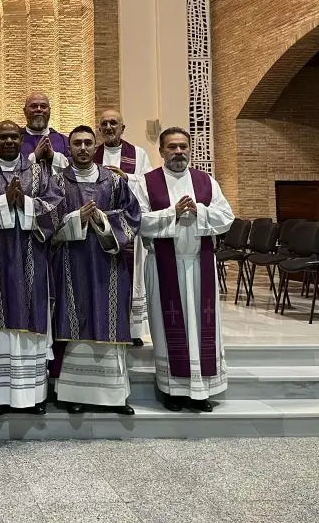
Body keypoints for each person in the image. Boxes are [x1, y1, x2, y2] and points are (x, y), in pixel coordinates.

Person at [0, 120, 62, 415]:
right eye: (3, 137)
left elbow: (55, 207)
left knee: (30, 323)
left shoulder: (39, 173)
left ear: (21, 140)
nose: (9, 141)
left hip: (32, 260)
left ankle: (32, 396)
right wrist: (5, 202)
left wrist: (26, 204)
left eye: (14, 137)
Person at [136, 127, 235, 412]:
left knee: (202, 327)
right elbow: (137, 220)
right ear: (161, 151)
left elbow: (227, 217)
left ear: (190, 149)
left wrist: (199, 211)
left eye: (183, 146)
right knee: (167, 327)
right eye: (172, 147)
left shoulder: (206, 182)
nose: (178, 152)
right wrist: (173, 213)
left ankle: (202, 390)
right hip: (163, 266)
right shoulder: (146, 183)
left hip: (200, 265)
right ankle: (172, 389)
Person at [50, 126, 141, 415]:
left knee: (109, 318)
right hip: (71, 262)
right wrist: (77, 217)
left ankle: (114, 396)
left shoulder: (113, 181)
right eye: (77, 143)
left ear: (95, 146)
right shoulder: (57, 182)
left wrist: (101, 219)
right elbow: (47, 220)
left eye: (88, 142)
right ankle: (74, 393)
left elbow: (132, 215)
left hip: (108, 263)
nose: (83, 148)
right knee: (75, 320)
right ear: (69, 148)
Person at [96, 108, 153, 346]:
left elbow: (149, 186)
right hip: (100, 229)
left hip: (128, 228)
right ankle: (103, 326)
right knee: (102, 278)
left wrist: (127, 178)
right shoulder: (92, 154)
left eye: (114, 123)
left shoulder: (138, 154)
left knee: (130, 276)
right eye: (104, 124)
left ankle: (131, 330)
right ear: (99, 129)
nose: (109, 127)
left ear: (123, 128)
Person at [21, 92, 69, 173]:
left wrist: (53, 157)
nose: (39, 109)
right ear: (25, 111)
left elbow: (74, 168)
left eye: (43, 106)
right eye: (34, 106)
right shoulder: (14, 140)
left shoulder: (64, 141)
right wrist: (34, 157)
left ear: (49, 111)